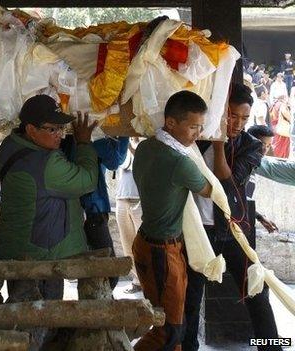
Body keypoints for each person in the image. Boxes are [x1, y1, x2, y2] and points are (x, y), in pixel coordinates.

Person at [183, 84, 280, 351]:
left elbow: (228, 185)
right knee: (191, 298)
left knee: (257, 292)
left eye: (244, 119)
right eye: (232, 116)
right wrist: (212, 137)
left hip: (232, 231)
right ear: (220, 113)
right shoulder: (195, 137)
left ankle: (272, 347)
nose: (237, 124)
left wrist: (219, 144)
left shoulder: (251, 146)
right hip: (198, 231)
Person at [0, 94, 99, 301]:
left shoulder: (10, 144)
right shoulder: (47, 164)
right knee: (45, 318)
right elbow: (88, 181)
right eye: (52, 129)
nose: (60, 135)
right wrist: (85, 144)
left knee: (22, 313)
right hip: (42, 256)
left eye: (61, 128)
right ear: (31, 130)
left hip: (18, 250)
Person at [133, 91, 212, 351]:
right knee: (168, 331)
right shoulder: (180, 162)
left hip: (146, 242)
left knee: (167, 323)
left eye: (201, 127)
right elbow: (209, 190)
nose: (197, 134)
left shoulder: (146, 147)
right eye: (192, 127)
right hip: (162, 252)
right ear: (170, 123)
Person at [62, 133, 128, 290]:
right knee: (108, 273)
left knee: (94, 272)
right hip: (92, 212)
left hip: (84, 211)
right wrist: (124, 135)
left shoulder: (66, 141)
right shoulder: (92, 141)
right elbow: (115, 161)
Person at [115, 137, 143, 294]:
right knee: (127, 245)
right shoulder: (124, 140)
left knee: (143, 246)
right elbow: (121, 163)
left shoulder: (149, 139)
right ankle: (137, 280)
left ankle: (148, 281)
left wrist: (134, 147)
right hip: (123, 195)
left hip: (141, 198)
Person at [247, 125, 279, 233]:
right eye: (262, 144)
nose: (265, 149)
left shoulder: (253, 166)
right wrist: (260, 217)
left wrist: (260, 218)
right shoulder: (243, 165)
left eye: (269, 146)